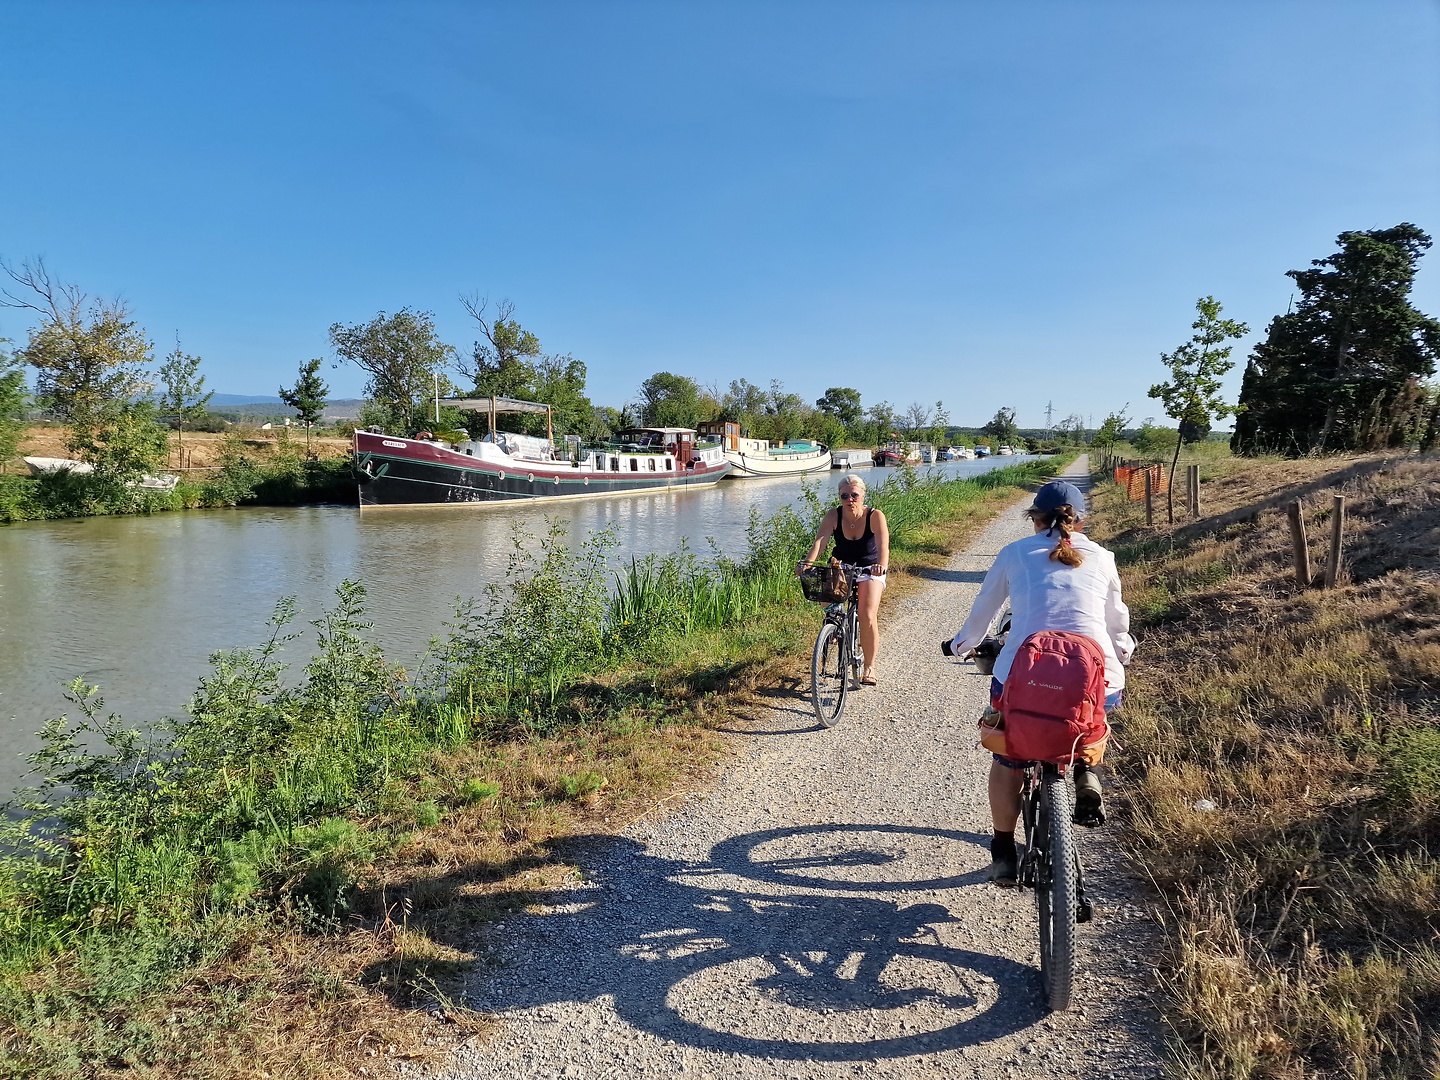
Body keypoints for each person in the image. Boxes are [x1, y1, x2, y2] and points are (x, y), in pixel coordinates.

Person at [948, 479, 1133, 885]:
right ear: (1080, 521)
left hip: (1022, 674)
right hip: (1094, 672)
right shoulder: (1102, 557)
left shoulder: (1014, 553)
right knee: (1089, 719)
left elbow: (984, 611)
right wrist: (1121, 655)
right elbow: (1117, 624)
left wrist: (961, 645)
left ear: (1035, 519)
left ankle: (1002, 850)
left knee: (1006, 757)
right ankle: (1085, 768)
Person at [798, 474, 890, 685]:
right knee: (825, 593)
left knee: (867, 614)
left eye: (854, 495)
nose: (850, 499)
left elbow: (883, 547)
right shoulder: (833, 516)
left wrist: (881, 567)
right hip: (843, 566)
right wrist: (807, 563)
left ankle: (869, 666)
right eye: (844, 495)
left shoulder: (875, 516)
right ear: (839, 497)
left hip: (870, 568)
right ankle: (835, 625)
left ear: (863, 495)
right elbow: (820, 542)